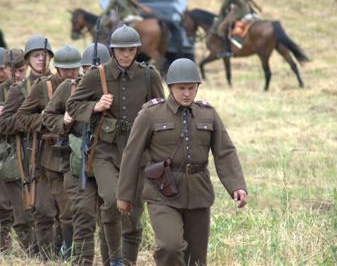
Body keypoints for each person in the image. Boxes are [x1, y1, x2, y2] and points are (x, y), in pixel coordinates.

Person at [117, 58, 248, 266]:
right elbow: (132, 154)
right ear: (170, 87)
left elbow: (225, 152)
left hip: (198, 192)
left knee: (196, 259)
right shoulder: (150, 114)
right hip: (162, 193)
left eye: (191, 88)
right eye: (181, 88)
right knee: (170, 246)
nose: (186, 93)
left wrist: (237, 186)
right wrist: (124, 195)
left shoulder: (209, 114)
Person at [66, 25, 165, 266]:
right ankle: (115, 259)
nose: (126, 55)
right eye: (121, 50)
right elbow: (72, 106)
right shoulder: (95, 76)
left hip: (137, 153)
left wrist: (150, 112)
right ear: (113, 50)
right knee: (111, 201)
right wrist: (95, 106)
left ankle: (128, 261)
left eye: (131, 49)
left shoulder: (147, 75)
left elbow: (161, 107)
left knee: (133, 211)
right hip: (104, 151)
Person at [42, 42, 110, 265]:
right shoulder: (69, 88)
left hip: (110, 160)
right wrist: (64, 120)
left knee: (109, 216)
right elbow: (48, 117)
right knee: (82, 214)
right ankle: (82, 261)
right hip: (75, 162)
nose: (95, 72)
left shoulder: (116, 91)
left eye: (99, 68)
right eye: (89, 67)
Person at [0, 35, 62, 259]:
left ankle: (61, 254)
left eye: (45, 56)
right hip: (32, 154)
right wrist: (36, 120)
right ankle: (45, 257)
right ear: (28, 59)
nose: (41, 60)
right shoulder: (19, 89)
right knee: (42, 210)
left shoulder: (60, 83)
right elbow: (4, 123)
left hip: (60, 153)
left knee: (64, 209)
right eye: (36, 56)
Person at [16, 44, 82, 260]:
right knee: (47, 210)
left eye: (75, 69)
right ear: (57, 69)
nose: (72, 73)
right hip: (48, 156)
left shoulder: (84, 84)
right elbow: (23, 116)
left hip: (77, 155)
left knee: (71, 210)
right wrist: (47, 119)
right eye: (67, 69)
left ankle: (69, 253)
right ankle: (48, 254)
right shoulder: (43, 87)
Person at [0, 48, 37, 255]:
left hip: (36, 150)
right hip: (9, 153)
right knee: (16, 209)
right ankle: (26, 252)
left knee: (40, 206)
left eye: (21, 70)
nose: (18, 75)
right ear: (5, 69)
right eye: (14, 71)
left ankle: (43, 250)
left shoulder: (34, 87)